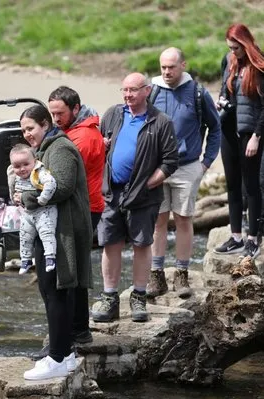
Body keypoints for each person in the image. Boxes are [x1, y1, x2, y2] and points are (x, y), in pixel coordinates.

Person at [15, 105, 94, 381]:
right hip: (54, 228)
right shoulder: (44, 149)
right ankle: (67, 355)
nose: (27, 134)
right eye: (23, 130)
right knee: (54, 290)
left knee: (55, 291)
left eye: (31, 128)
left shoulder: (59, 148)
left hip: (64, 231)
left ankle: (57, 357)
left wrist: (26, 198)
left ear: (45, 124)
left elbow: (61, 187)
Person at [92, 72, 178, 323]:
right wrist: (103, 146)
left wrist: (147, 185)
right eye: (124, 90)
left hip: (144, 196)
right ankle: (110, 298)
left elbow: (170, 162)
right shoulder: (113, 114)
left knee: (142, 244)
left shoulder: (161, 122)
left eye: (133, 90)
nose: (128, 95)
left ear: (147, 91)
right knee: (110, 244)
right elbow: (100, 145)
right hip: (112, 192)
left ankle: (139, 297)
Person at [147, 47, 222, 299]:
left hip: (188, 166)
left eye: (171, 67)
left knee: (183, 220)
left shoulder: (198, 93)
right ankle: (156, 276)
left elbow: (215, 128)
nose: (167, 72)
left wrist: (205, 163)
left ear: (183, 65)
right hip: (157, 167)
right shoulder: (152, 91)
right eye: (163, 67)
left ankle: (181, 275)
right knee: (158, 221)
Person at [46, 85, 104, 348]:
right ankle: (77, 328)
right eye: (52, 114)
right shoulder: (73, 132)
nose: (56, 119)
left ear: (76, 109)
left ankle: (77, 330)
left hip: (85, 209)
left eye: (60, 114)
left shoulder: (81, 138)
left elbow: (60, 177)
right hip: (82, 206)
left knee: (72, 270)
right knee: (74, 269)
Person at [214, 23, 264, 258]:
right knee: (232, 185)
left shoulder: (259, 67)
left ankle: (253, 239)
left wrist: (257, 137)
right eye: (230, 48)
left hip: (250, 133)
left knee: (251, 186)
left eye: (236, 48)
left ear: (245, 44)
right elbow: (224, 89)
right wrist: (221, 100)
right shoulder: (228, 61)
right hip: (228, 130)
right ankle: (236, 237)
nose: (233, 52)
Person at [9, 144, 58, 275]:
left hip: (44, 210)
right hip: (27, 213)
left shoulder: (38, 173)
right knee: (24, 236)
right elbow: (14, 191)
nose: (22, 169)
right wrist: (15, 199)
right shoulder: (16, 177)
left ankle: (50, 258)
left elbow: (51, 183)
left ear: (35, 161)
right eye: (17, 166)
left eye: (26, 164)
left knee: (46, 233)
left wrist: (43, 199)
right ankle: (25, 260)